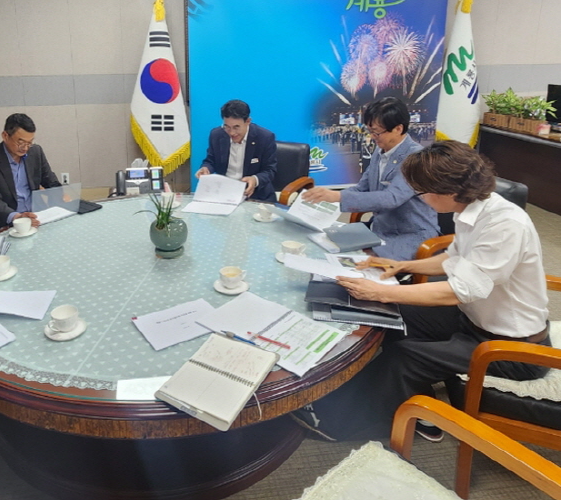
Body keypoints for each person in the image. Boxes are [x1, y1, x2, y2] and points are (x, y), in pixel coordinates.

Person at [294, 141, 550, 442]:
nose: (421, 198)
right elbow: (453, 257)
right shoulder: (472, 208)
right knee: (392, 318)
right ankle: (415, 404)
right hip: (473, 321)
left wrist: (380, 292)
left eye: (423, 192)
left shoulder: (505, 225)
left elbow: (457, 291)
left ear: (450, 191)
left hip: (513, 348)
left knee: (405, 355)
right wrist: (402, 266)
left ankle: (341, 423)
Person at [301, 97, 439, 260]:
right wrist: (325, 198)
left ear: (398, 128)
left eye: (377, 132)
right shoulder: (380, 151)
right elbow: (361, 188)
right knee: (323, 243)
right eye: (370, 131)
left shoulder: (416, 158)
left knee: (355, 262)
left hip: (408, 235)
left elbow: (391, 198)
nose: (372, 136)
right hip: (380, 228)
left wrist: (338, 196)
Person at [0, 113, 62, 233]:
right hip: (8, 222)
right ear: (5, 136)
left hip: (36, 216)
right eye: (20, 142)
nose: (25, 148)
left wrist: (62, 194)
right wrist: (17, 217)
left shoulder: (35, 152)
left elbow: (50, 181)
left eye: (29, 143)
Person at [195, 99, 278, 202]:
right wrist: (206, 168)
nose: (231, 133)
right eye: (227, 127)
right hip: (224, 193)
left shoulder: (264, 137)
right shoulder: (217, 135)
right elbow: (211, 160)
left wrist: (255, 179)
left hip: (255, 195)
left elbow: (270, 170)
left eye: (236, 127)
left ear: (248, 121)